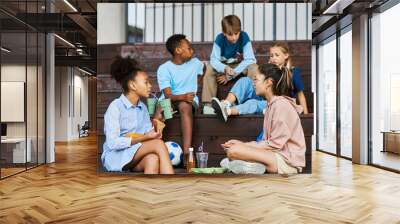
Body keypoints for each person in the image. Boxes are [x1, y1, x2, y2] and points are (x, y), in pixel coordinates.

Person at [221, 63, 306, 175]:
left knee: (234, 151)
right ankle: (253, 166)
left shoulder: (281, 105)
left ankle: (252, 165)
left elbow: (274, 145)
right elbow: (267, 142)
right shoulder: (271, 105)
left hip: (287, 162)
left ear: (268, 82)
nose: (253, 83)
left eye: (256, 80)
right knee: (229, 156)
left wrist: (243, 146)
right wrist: (241, 143)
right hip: (276, 156)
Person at [101, 56, 174, 174]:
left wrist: (159, 118)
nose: (150, 86)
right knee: (159, 145)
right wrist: (145, 138)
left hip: (134, 154)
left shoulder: (142, 108)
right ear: (133, 85)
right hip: (116, 157)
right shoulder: (115, 107)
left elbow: (150, 134)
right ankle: (172, 185)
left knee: (152, 159)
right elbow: (113, 143)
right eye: (146, 82)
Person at [212, 42, 309, 122]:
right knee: (245, 81)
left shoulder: (293, 72)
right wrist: (268, 69)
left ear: (286, 55)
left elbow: (300, 94)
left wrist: (306, 116)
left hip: (277, 104)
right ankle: (226, 103)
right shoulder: (270, 69)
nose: (273, 58)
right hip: (263, 97)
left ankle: (228, 111)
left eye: (277, 55)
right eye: (271, 56)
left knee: (253, 103)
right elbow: (260, 83)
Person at [157, 34, 204, 155]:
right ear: (178, 50)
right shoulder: (164, 69)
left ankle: (187, 152)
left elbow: (206, 69)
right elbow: (167, 95)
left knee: (185, 106)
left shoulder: (195, 63)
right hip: (171, 99)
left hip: (187, 101)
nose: (192, 50)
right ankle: (155, 145)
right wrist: (182, 96)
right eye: (189, 48)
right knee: (162, 109)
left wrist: (201, 80)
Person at [201, 14, 258, 113]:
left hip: (239, 66)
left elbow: (250, 60)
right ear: (224, 33)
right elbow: (214, 60)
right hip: (223, 66)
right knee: (210, 69)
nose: (234, 37)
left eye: (236, 33)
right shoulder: (219, 39)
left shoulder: (244, 37)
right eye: (230, 34)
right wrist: (225, 69)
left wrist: (231, 75)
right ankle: (208, 105)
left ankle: (250, 100)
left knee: (254, 68)